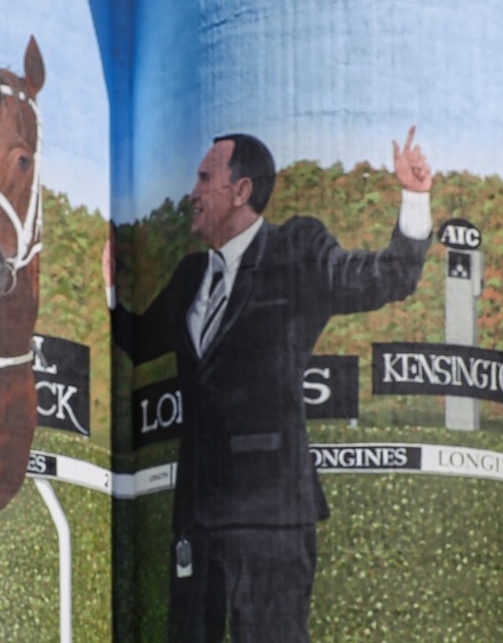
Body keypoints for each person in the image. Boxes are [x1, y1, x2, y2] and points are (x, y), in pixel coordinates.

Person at [110, 130, 433, 643]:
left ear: (241, 191)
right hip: (196, 521)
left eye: (203, 179)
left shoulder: (295, 249)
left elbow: (384, 277)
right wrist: (107, 283)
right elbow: (140, 339)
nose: (191, 194)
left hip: (271, 520)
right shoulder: (191, 273)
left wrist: (414, 198)